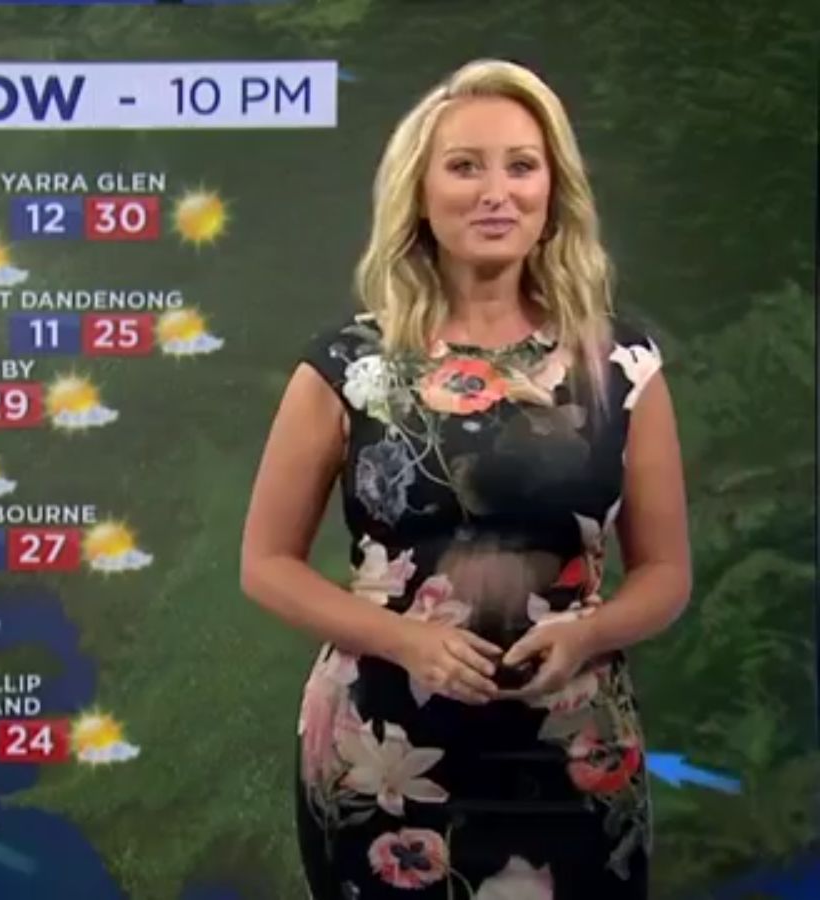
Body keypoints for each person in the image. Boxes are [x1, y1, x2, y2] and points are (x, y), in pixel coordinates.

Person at [239, 58, 692, 899]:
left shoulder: (622, 366)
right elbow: (265, 564)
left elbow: (665, 573)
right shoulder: (349, 367)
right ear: (419, 193)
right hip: (382, 756)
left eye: (521, 166)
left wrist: (587, 635)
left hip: (573, 751)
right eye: (464, 166)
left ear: (553, 192)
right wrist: (407, 641)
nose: (496, 193)